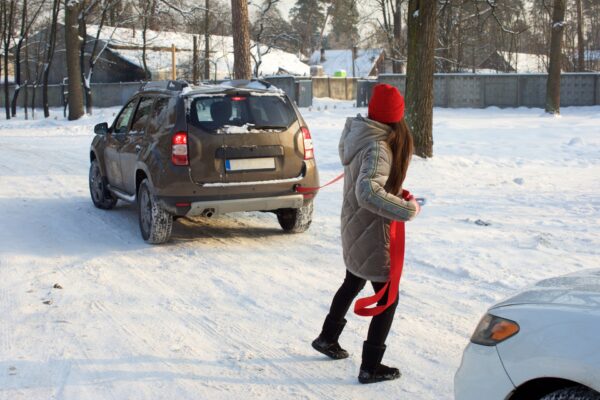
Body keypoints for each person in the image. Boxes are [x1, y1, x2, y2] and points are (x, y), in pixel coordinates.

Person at [312, 83, 420, 384]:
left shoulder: (362, 135)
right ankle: (371, 366)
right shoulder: (379, 146)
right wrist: (406, 209)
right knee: (388, 297)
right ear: (396, 118)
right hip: (371, 233)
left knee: (352, 280)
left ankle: (326, 338)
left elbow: (369, 185)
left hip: (355, 227)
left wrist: (395, 194)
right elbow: (367, 192)